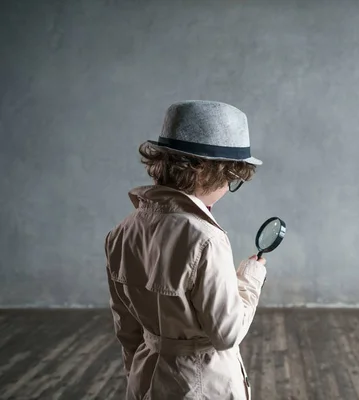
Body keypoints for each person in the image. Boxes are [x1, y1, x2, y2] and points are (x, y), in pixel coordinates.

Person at [104, 100, 267, 399]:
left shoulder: (121, 231)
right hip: (203, 383)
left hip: (147, 374)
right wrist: (250, 277)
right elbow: (227, 333)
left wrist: (137, 377)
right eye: (231, 180)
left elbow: (126, 328)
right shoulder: (207, 239)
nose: (227, 189)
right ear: (206, 170)